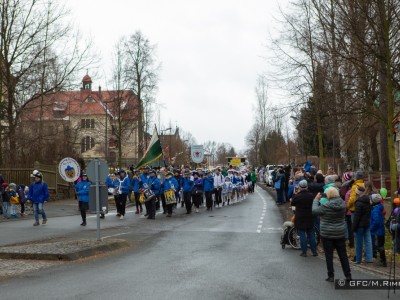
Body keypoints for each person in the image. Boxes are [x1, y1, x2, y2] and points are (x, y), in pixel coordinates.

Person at [312, 187, 352, 282]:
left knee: (329, 255)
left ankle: (331, 275)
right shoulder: (343, 204)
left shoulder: (326, 206)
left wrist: (316, 200)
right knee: (343, 255)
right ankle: (348, 275)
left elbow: (314, 211)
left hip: (327, 234)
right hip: (340, 233)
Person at [291, 180, 317, 257]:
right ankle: (314, 251)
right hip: (309, 216)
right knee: (311, 234)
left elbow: (292, 203)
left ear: (299, 187)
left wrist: (295, 194)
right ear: (306, 186)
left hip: (300, 217)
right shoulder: (311, 195)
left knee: (302, 234)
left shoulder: (297, 196)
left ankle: (304, 252)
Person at [352, 186, 373, 264]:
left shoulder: (358, 202)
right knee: (368, 240)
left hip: (360, 225)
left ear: (357, 192)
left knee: (359, 242)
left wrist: (353, 227)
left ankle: (358, 259)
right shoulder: (368, 201)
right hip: (367, 223)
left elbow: (357, 216)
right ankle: (369, 258)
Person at [370, 193, 387, 267]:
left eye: (370, 199)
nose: (369, 201)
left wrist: (371, 228)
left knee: (379, 246)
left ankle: (383, 261)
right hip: (380, 230)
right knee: (380, 245)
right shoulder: (379, 207)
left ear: (374, 201)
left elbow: (376, 221)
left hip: (378, 231)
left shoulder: (375, 210)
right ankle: (382, 260)